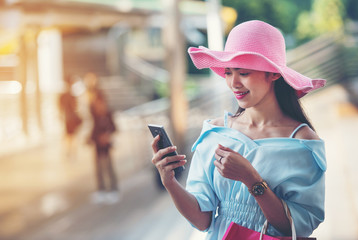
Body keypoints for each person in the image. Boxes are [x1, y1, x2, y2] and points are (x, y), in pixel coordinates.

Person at [151, 20, 326, 239]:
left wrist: (251, 179)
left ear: (274, 74)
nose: (233, 83)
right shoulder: (215, 132)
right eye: (227, 72)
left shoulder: (301, 142)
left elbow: (300, 227)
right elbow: (203, 220)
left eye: (243, 72)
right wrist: (170, 182)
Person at [87, 74, 119, 203]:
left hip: (106, 144)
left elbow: (114, 127)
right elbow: (93, 128)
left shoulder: (108, 114)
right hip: (97, 144)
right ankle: (101, 190)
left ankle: (113, 189)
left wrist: (107, 135)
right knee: (98, 167)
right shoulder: (94, 113)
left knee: (108, 166)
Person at [59, 75, 82, 161]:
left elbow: (61, 108)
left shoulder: (65, 95)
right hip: (70, 118)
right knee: (72, 136)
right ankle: (71, 151)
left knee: (70, 136)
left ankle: (70, 151)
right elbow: (76, 107)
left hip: (68, 119)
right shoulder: (70, 95)